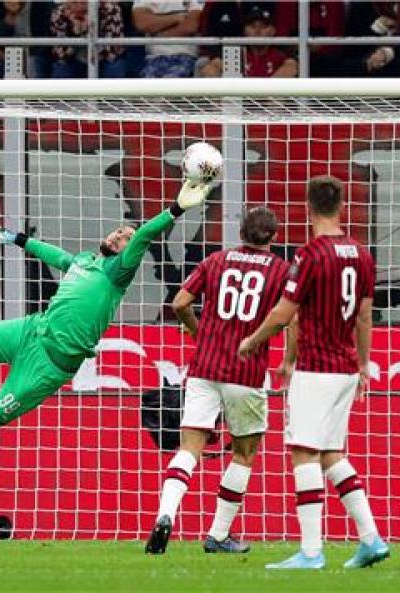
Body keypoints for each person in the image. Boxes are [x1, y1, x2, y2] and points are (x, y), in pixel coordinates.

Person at [0, 179, 214, 501]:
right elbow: (58, 258)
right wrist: (17, 238)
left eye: (126, 238)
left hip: (48, 365)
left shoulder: (118, 272)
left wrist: (176, 209)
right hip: (31, 330)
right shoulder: (85, 261)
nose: (119, 235)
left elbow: (145, 235)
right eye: (119, 231)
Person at [238, 176, 389, 570]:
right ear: (342, 207)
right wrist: (363, 365)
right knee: (331, 453)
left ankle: (310, 551)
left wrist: (253, 340)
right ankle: (371, 539)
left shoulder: (309, 256)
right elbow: (365, 316)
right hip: (346, 369)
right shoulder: (362, 254)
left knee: (304, 451)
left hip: (317, 368)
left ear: (307, 208)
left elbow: (285, 313)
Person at [145, 207, 289, 555]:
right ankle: (219, 534)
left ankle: (166, 515)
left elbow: (180, 302)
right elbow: (289, 316)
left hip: (204, 368)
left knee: (188, 449)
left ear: (240, 233)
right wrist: (287, 357)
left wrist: (200, 333)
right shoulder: (282, 270)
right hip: (246, 371)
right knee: (244, 453)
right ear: (274, 236)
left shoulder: (216, 261)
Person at [49, 0, 126, 78]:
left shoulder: (110, 9)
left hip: (103, 59)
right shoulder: (60, 13)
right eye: (74, 2)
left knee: (114, 66)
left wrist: (91, 29)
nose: (79, 2)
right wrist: (77, 34)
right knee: (61, 68)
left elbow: (114, 50)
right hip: (74, 59)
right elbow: (60, 55)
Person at [131, 0, 202, 78]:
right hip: (153, 59)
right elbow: (143, 24)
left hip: (186, 57)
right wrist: (177, 17)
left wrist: (158, 33)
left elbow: (190, 26)